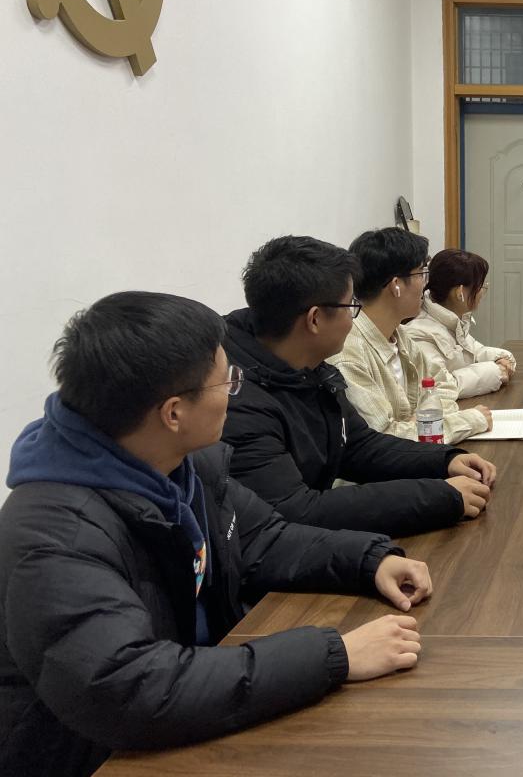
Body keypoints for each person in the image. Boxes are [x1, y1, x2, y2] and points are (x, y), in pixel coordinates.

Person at [0, 292, 435, 777]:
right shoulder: (54, 536)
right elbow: (131, 689)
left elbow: (264, 539)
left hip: (198, 703)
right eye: (228, 381)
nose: (235, 392)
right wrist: (336, 655)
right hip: (98, 758)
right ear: (173, 413)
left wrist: (369, 560)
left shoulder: (182, 463)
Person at [221, 236, 496, 536]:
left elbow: (359, 445)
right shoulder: (240, 402)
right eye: (351, 306)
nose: (355, 320)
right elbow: (297, 510)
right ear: (315, 320)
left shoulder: (309, 367)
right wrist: (440, 497)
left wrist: (445, 461)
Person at [332, 229, 492, 444]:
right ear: (396, 285)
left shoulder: (399, 335)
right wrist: (470, 420)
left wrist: (419, 422)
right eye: (421, 274)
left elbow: (444, 385)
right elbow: (384, 439)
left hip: (419, 456)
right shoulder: (349, 355)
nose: (426, 285)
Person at [404, 250, 518, 429]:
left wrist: (502, 358)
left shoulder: (452, 319)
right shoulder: (420, 333)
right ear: (460, 292)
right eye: (481, 287)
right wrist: (496, 371)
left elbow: (474, 351)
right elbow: (440, 386)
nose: (482, 293)